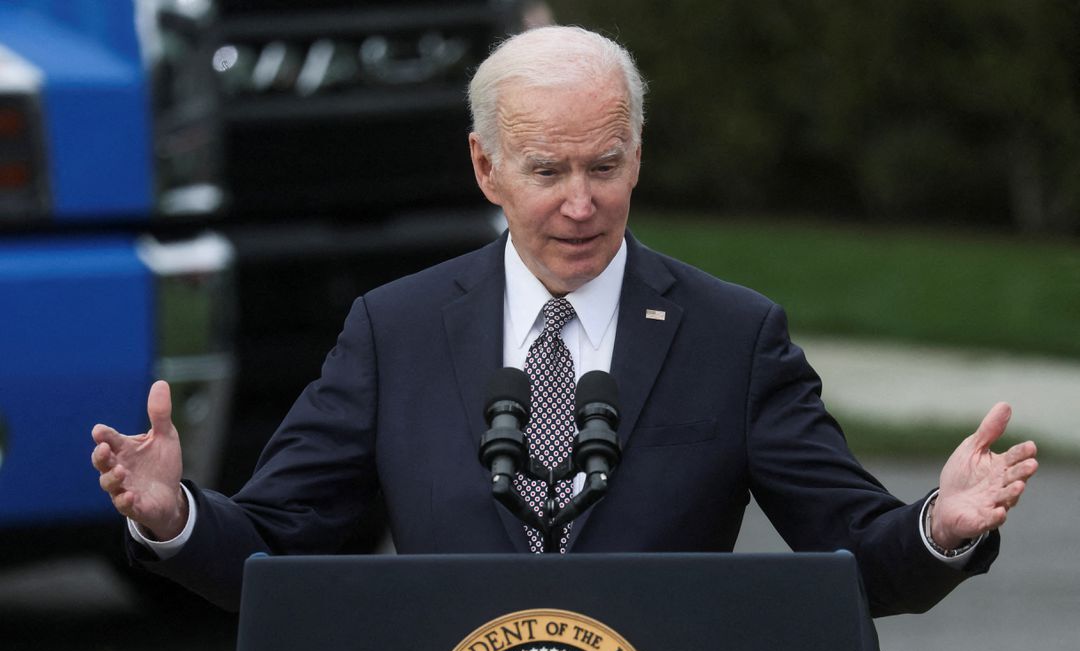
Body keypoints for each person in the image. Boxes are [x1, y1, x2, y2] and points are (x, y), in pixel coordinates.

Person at [91, 26, 1037, 613]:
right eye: (548, 171)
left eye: (605, 165)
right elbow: (275, 547)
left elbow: (855, 564)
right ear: (485, 169)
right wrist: (175, 517)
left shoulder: (733, 335)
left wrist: (940, 527)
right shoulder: (396, 329)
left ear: (636, 159)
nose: (580, 203)